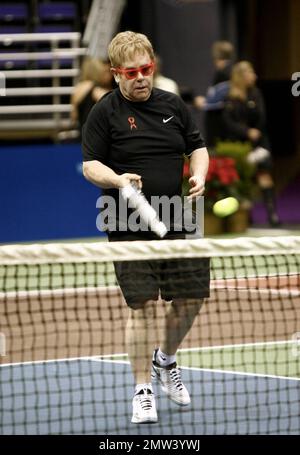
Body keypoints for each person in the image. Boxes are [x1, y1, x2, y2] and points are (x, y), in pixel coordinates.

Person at [81, 31, 210, 424]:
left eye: (146, 69)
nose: (141, 77)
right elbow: (90, 165)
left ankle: (165, 359)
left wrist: (200, 175)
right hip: (127, 220)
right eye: (132, 72)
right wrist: (118, 179)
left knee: (191, 299)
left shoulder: (173, 104)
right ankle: (143, 390)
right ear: (116, 73)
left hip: (178, 214)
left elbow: (197, 147)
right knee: (143, 307)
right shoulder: (104, 111)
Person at [221, 61, 280, 227]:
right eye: (250, 73)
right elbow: (228, 122)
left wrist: (254, 132)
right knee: (242, 180)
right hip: (239, 146)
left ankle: (272, 215)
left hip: (259, 144)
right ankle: (244, 218)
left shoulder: (256, 94)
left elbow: (262, 117)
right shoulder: (230, 97)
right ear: (241, 76)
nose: (254, 76)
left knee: (264, 175)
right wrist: (246, 132)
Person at [194, 41, 234, 147]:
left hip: (219, 122)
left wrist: (203, 103)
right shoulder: (231, 71)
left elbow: (221, 100)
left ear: (216, 55)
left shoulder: (223, 73)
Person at [71, 56, 113, 134]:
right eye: (105, 71)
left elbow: (73, 117)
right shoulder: (96, 90)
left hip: (83, 134)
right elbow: (114, 109)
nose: (110, 75)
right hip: (96, 135)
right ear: (98, 71)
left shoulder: (78, 88)